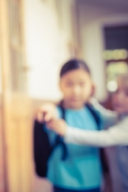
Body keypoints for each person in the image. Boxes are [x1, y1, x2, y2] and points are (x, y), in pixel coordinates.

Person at [40, 72, 128, 192]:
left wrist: (67, 132)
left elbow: (103, 138)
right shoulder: (122, 117)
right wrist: (89, 97)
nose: (118, 97)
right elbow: (104, 115)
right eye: (116, 91)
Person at [35, 59, 107, 192]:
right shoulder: (57, 113)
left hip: (93, 180)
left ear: (91, 86)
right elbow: (50, 111)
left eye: (82, 84)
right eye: (69, 84)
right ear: (60, 85)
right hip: (63, 181)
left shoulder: (96, 113)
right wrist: (48, 109)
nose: (75, 90)